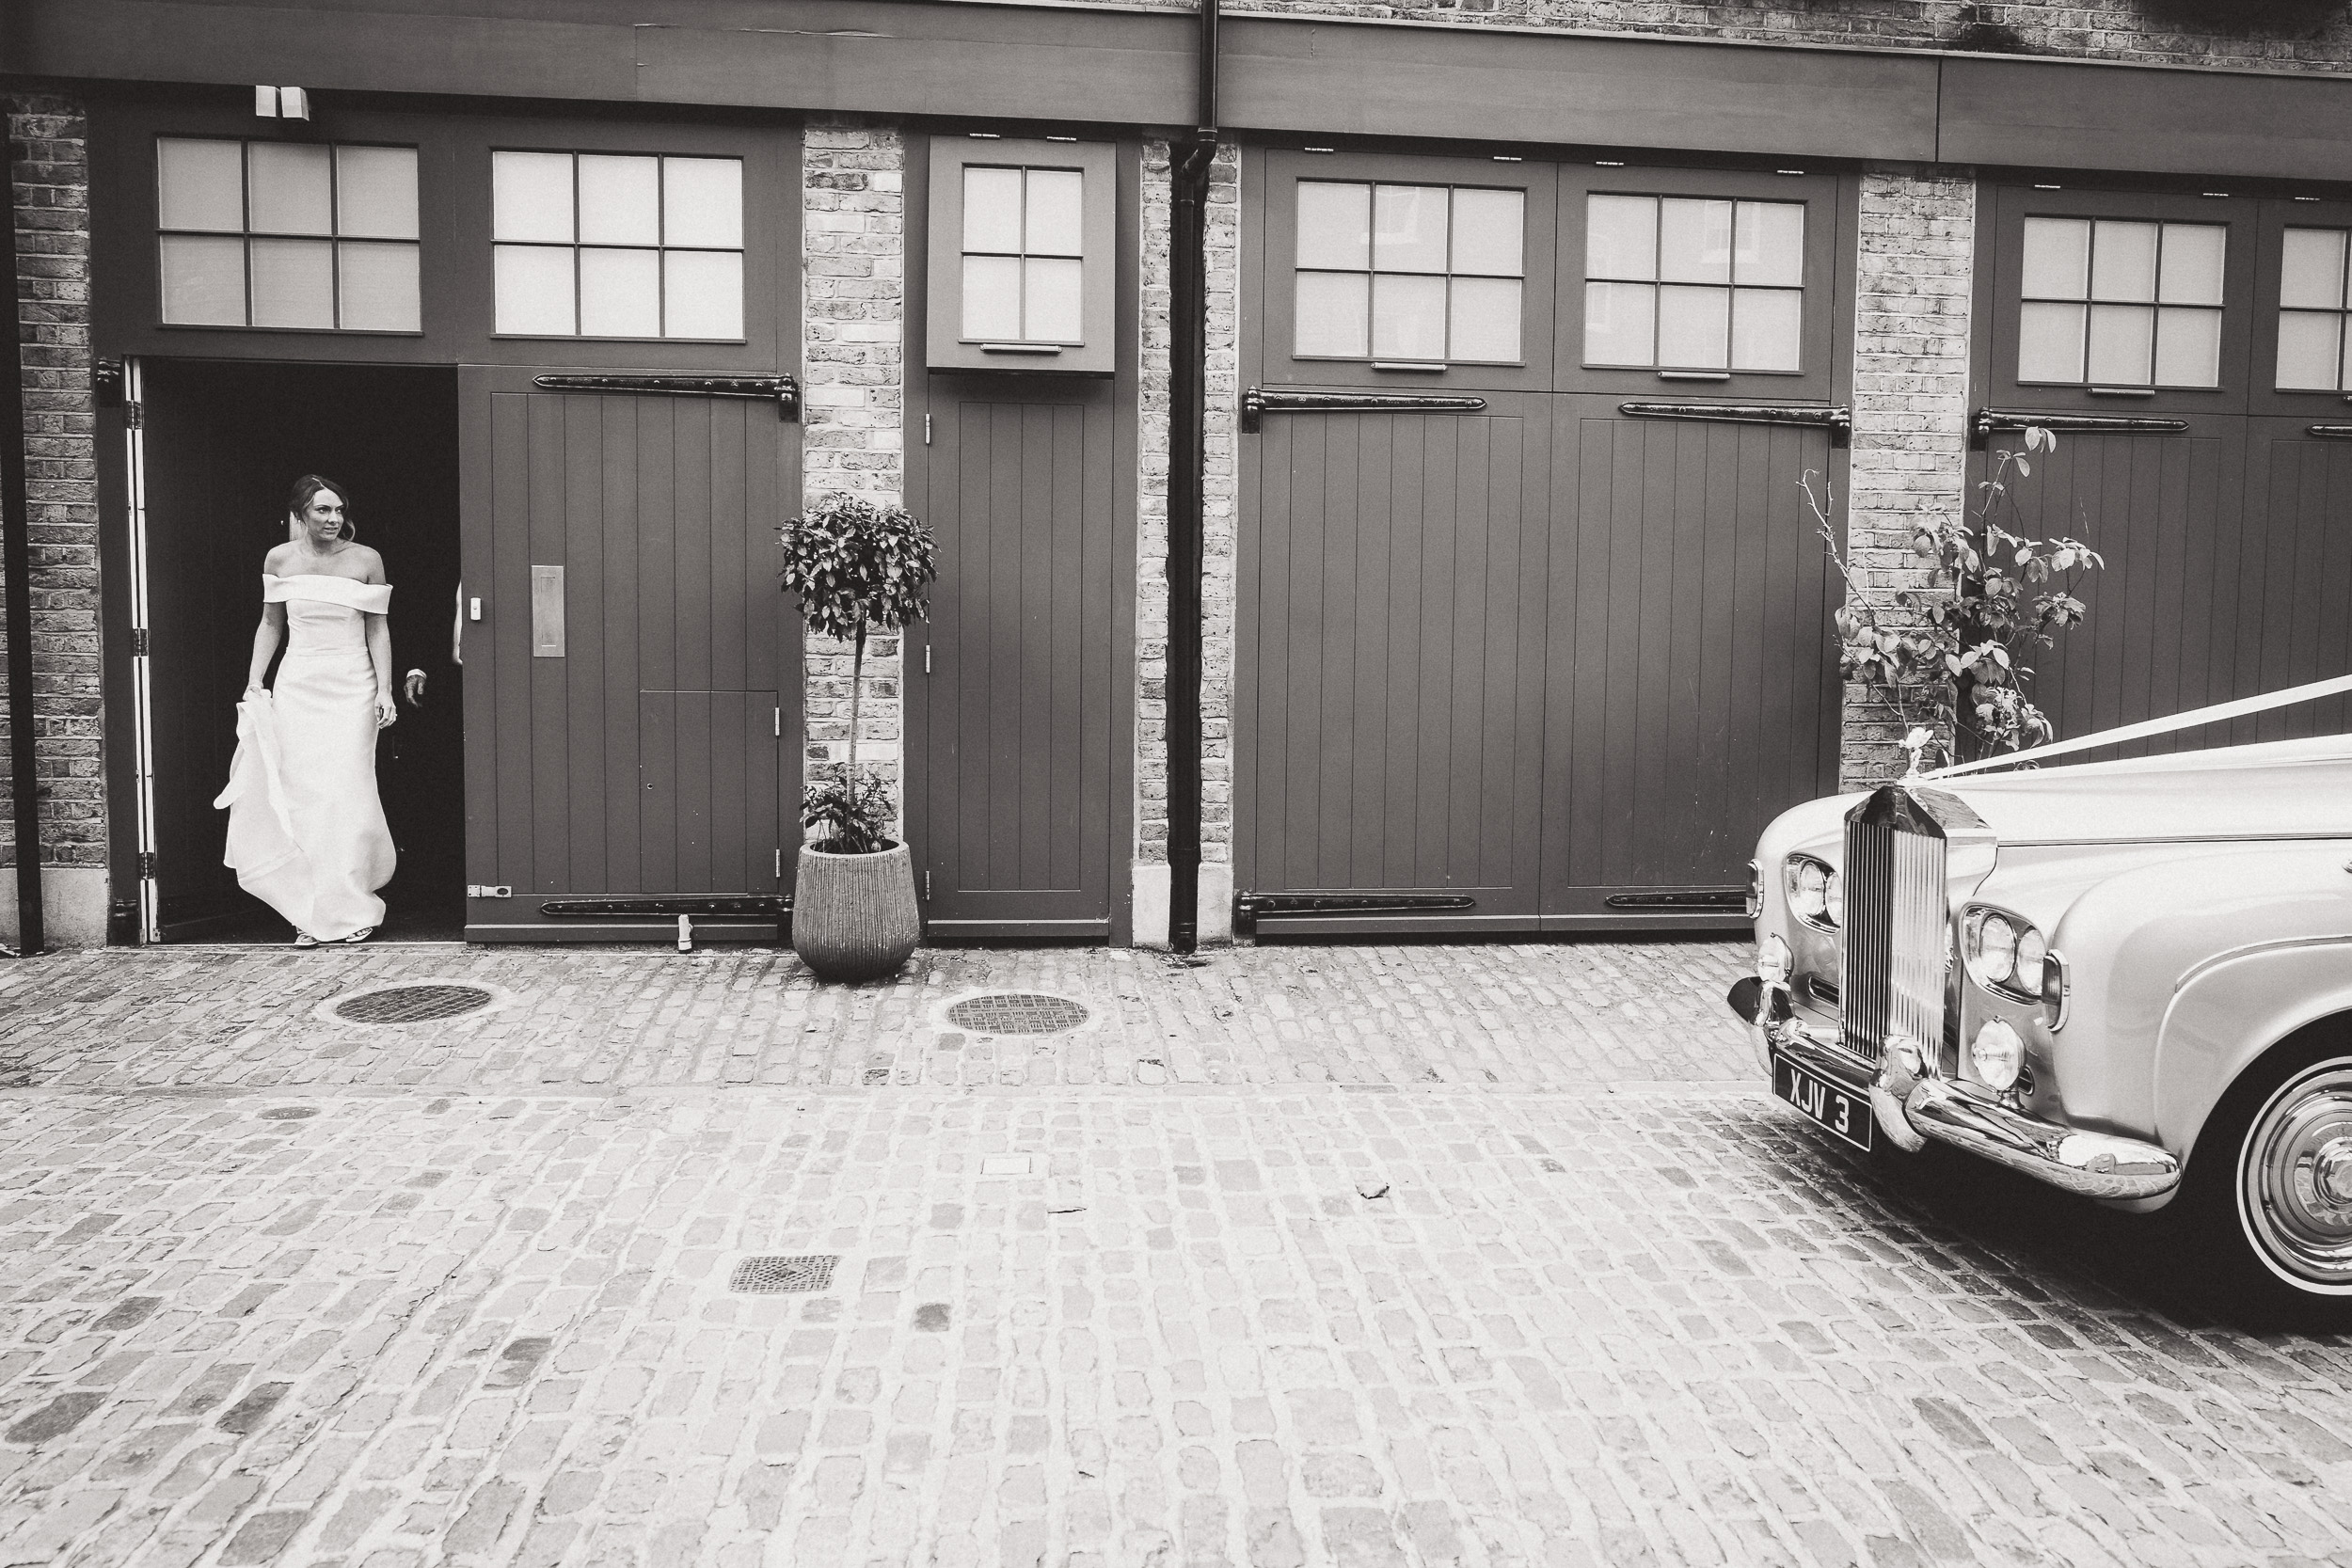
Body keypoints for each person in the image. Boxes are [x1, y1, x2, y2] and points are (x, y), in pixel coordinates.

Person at [213, 475, 398, 945]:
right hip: (299, 683)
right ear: (301, 515)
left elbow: (378, 629)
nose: (334, 519)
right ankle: (307, 909)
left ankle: (350, 903)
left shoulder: (366, 560)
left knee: (346, 790)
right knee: (302, 793)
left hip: (352, 683)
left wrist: (385, 690)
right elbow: (270, 623)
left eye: (338, 510)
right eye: (322, 511)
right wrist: (256, 680)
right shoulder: (280, 559)